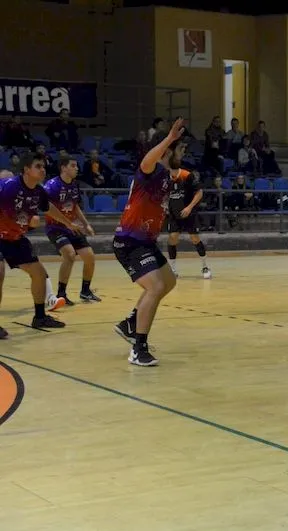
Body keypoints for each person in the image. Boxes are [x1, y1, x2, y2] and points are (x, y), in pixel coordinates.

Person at [112, 118, 186, 367]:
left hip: (146, 242)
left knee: (169, 281)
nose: (183, 154)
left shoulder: (166, 177)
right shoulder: (149, 170)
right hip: (130, 241)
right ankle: (138, 348)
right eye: (180, 150)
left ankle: (131, 323)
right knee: (155, 287)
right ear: (167, 151)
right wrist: (169, 138)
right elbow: (146, 160)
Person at [0, 153, 85, 337]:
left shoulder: (38, 191)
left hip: (15, 238)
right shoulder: (9, 187)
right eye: (38, 166)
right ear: (26, 169)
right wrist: (27, 221)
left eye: (44, 166)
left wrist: (68, 223)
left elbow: (49, 208)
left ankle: (40, 317)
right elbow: (9, 214)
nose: (43, 170)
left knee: (39, 274)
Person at [43, 156, 101, 304]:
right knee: (69, 255)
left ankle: (85, 292)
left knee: (90, 257)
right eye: (73, 165)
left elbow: (75, 207)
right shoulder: (52, 185)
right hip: (55, 228)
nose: (77, 168)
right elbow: (47, 208)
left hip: (72, 227)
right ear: (63, 168)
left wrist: (86, 224)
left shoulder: (74, 185)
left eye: (76, 166)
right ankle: (61, 294)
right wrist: (68, 223)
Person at [165, 169, 211, 279]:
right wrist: (165, 204)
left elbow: (199, 193)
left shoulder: (186, 178)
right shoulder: (166, 180)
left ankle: (205, 267)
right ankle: (173, 269)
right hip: (174, 215)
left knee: (195, 238)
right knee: (172, 238)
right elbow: (163, 195)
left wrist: (189, 207)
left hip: (189, 214)